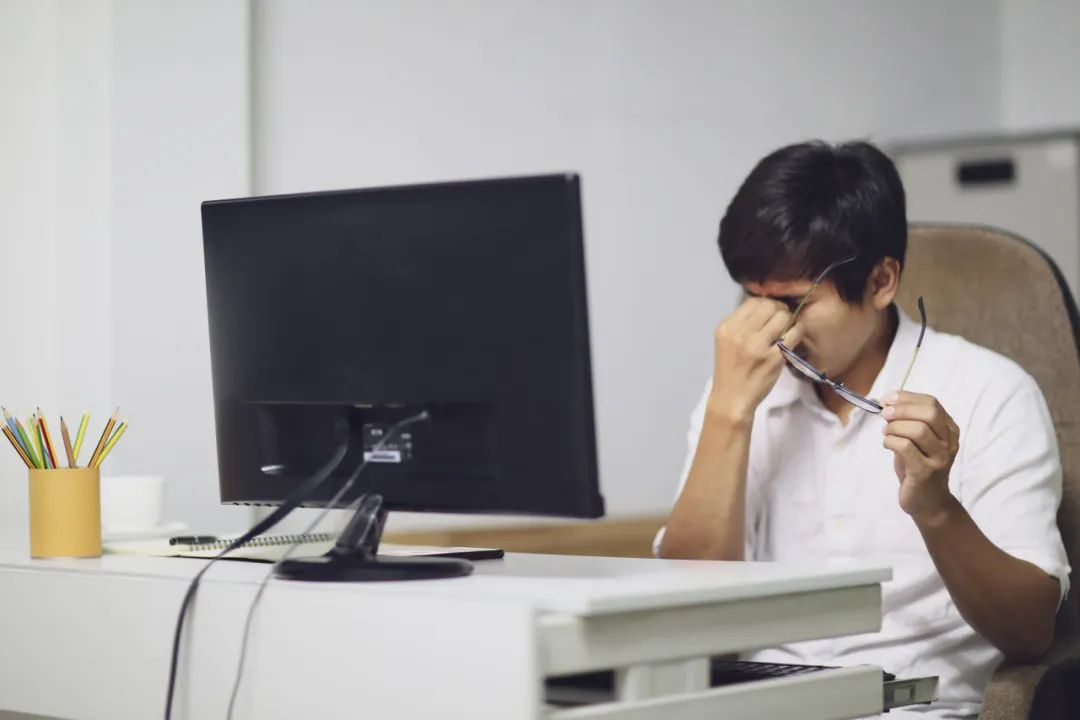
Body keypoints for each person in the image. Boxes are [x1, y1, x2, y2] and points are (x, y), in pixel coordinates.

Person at [656, 140, 1070, 718]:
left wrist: (936, 509)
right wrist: (728, 412)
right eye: (752, 298)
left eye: (792, 304)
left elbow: (1029, 632)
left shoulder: (992, 390)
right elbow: (683, 617)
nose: (773, 332)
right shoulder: (738, 389)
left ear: (880, 281)